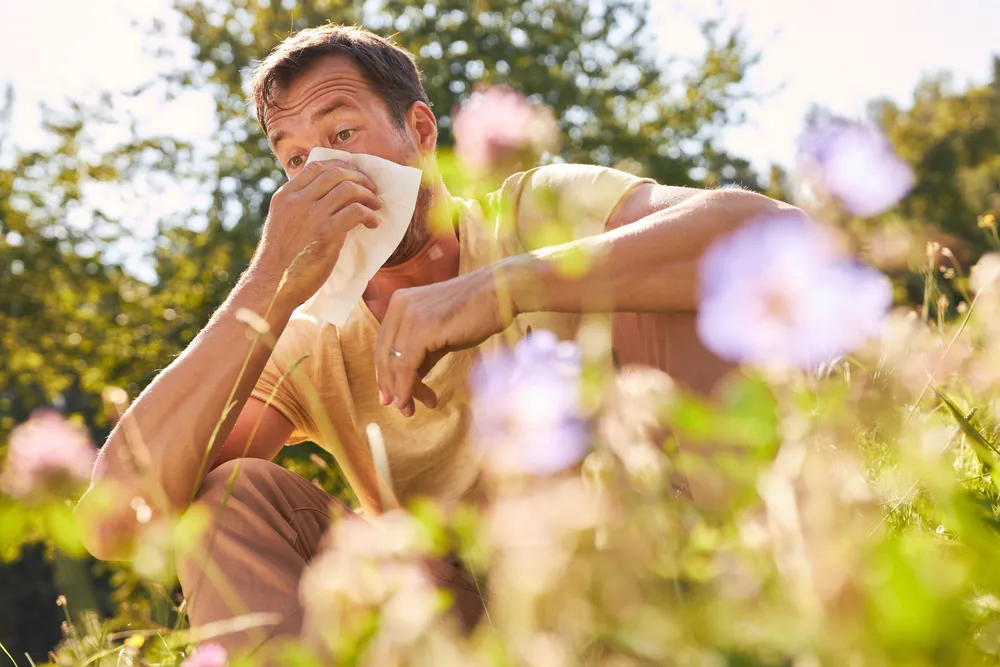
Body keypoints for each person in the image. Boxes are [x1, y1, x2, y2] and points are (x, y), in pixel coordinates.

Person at [76, 23, 799, 654]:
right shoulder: (308, 337)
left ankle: (751, 607)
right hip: (458, 626)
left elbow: (784, 238)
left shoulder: (536, 213)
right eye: (295, 159)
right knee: (226, 491)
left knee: (662, 278)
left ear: (421, 134)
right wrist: (269, 281)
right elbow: (115, 525)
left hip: (642, 565)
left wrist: (503, 288)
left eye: (343, 133)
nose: (324, 172)